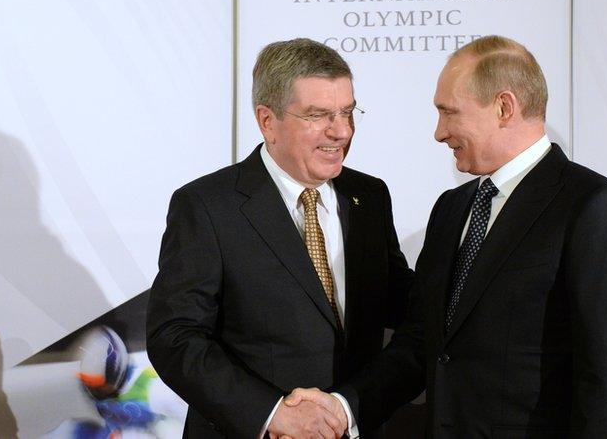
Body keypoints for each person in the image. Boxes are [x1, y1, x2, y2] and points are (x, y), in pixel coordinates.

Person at [290, 35, 607, 437]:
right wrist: (344, 408)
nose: (439, 133)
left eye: (449, 113)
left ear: (504, 107)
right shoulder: (452, 208)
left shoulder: (594, 208)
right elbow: (421, 342)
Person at [146, 38, 413, 438]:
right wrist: (273, 413)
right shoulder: (207, 207)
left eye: (347, 112)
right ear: (267, 121)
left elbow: (400, 306)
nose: (341, 131)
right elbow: (175, 336)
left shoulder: (370, 197)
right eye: (318, 115)